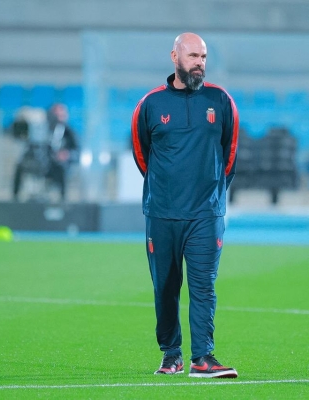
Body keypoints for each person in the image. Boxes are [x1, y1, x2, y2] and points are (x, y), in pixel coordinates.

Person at [131, 32, 239, 378]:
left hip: (205, 214)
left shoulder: (221, 100)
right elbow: (141, 155)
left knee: (204, 286)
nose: (199, 63)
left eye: (203, 57)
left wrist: (211, 191)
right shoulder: (150, 104)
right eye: (193, 56)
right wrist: (165, 189)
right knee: (165, 287)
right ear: (174, 57)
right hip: (162, 215)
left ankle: (202, 358)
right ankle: (171, 354)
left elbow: (230, 153)